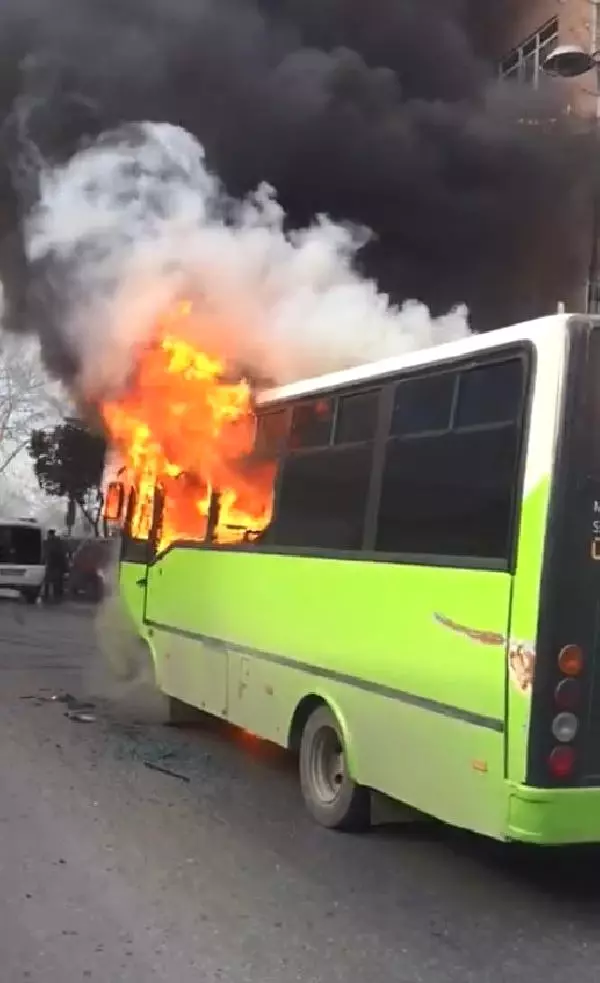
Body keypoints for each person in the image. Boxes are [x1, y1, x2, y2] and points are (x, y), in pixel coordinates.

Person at [43, 529, 68, 604]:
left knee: (49, 581)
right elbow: (63, 553)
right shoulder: (58, 542)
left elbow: (47, 553)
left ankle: (48, 595)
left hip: (53, 564)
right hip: (57, 565)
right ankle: (56, 595)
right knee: (56, 582)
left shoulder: (49, 543)